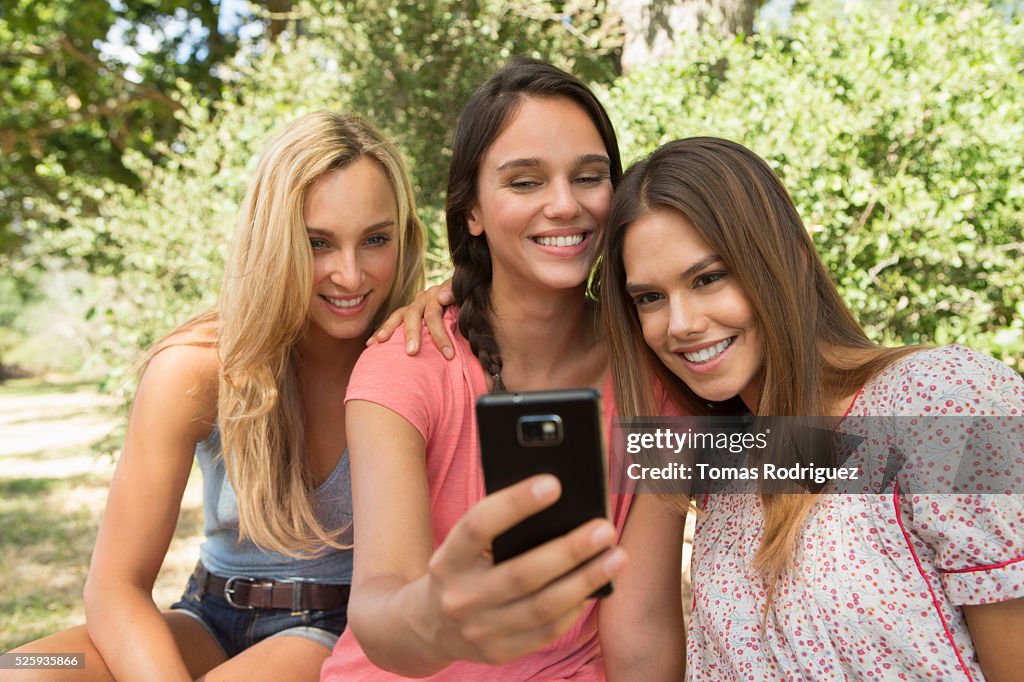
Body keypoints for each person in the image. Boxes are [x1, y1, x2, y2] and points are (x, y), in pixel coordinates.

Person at [5, 111, 425, 681]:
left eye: (375, 239)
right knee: (27, 667)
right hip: (208, 613)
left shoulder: (415, 357)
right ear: (271, 241)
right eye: (316, 243)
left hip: (335, 628)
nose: (349, 275)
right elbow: (114, 586)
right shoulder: (198, 366)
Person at [600, 136, 1024, 681]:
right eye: (649, 298)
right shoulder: (724, 465)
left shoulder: (944, 403)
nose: (679, 324)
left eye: (708, 278)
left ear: (790, 260)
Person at [320, 58, 685, 680]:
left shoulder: (657, 380)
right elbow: (381, 600)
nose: (565, 205)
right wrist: (436, 616)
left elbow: (641, 625)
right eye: (524, 182)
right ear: (472, 212)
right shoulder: (406, 366)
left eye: (589, 177)